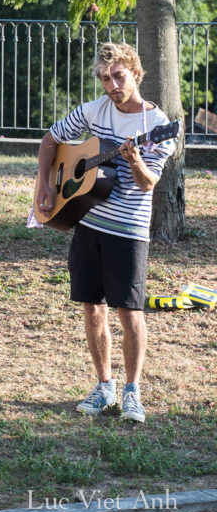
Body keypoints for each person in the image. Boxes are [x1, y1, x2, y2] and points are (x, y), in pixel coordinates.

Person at [36, 42, 175, 423]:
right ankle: (104, 386)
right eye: (104, 78)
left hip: (128, 231)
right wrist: (45, 186)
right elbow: (51, 140)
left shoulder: (156, 126)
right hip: (88, 222)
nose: (112, 85)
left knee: (130, 314)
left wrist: (134, 161)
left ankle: (132, 392)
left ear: (135, 72)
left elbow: (148, 184)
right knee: (92, 308)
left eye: (118, 75)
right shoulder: (94, 110)